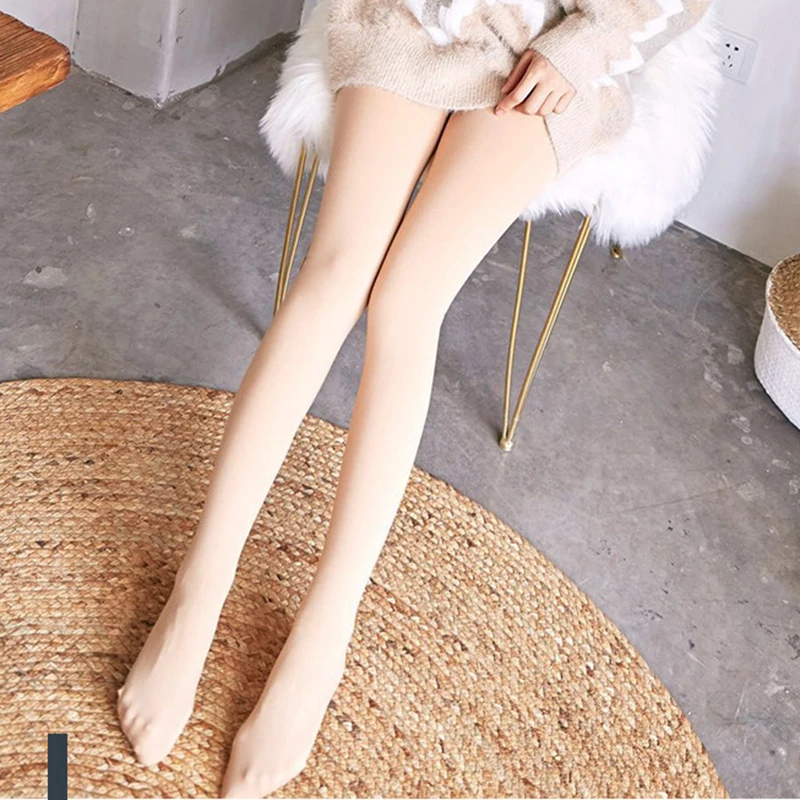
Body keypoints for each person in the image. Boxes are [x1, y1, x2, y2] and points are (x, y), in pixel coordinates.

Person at [115, 0, 713, 796]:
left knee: (406, 301)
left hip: (560, 38)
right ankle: (198, 590)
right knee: (335, 273)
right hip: (419, 14)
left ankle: (323, 636)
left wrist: (588, 41)